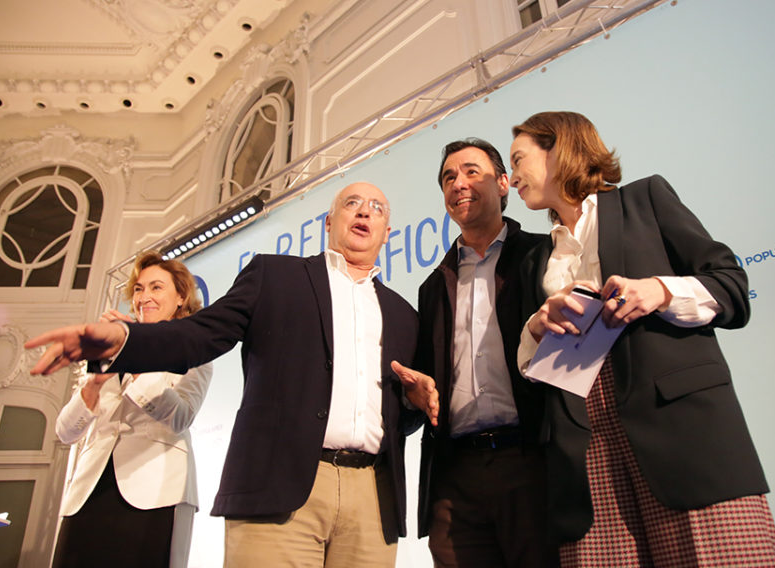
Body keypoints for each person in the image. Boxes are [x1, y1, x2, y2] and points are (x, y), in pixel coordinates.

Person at [27, 182, 436, 568]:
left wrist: (413, 404)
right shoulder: (274, 276)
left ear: (387, 233)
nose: (364, 211)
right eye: (351, 203)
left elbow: (400, 415)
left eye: (376, 208)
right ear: (329, 222)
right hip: (276, 488)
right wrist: (123, 339)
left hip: (372, 499)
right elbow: (198, 334)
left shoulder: (404, 315)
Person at [508, 111, 775, 567]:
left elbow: (731, 286)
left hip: (681, 436)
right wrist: (537, 325)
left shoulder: (645, 199)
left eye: (519, 159)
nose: (513, 177)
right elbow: (529, 372)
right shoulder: (535, 259)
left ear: (557, 148)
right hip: (585, 453)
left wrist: (659, 291)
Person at [396, 139, 554, 567]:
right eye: (449, 177)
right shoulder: (433, 285)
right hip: (455, 476)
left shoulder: (544, 254)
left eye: (471, 172)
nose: (458, 184)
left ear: (503, 184)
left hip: (533, 462)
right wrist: (415, 393)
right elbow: (428, 379)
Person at [51, 251, 213, 568]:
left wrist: (136, 353)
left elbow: (181, 417)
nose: (144, 297)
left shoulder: (194, 349)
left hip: (156, 492)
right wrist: (95, 381)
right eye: (138, 289)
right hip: (89, 491)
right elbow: (65, 432)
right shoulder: (108, 347)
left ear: (181, 297)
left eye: (156, 287)